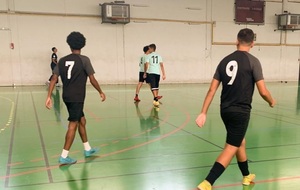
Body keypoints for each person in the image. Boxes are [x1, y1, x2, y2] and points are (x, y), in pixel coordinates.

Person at [195, 28, 276, 190]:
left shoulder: (224, 61)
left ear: (236, 41)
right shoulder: (253, 61)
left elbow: (212, 90)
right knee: (231, 147)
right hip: (241, 112)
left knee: (240, 142)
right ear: (253, 43)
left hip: (225, 110)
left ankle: (246, 176)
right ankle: (207, 183)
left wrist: (203, 112)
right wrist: (271, 101)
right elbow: (263, 91)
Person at [45, 31, 106, 165]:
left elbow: (54, 78)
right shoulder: (84, 60)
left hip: (67, 96)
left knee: (82, 120)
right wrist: (100, 91)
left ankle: (87, 149)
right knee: (73, 124)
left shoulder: (62, 60)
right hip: (77, 97)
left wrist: (49, 96)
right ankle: (64, 156)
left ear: (70, 44)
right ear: (82, 45)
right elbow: (92, 78)